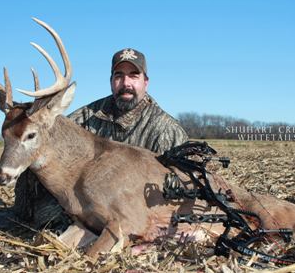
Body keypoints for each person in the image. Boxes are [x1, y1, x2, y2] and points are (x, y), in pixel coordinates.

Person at [12, 48, 188, 231]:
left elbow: (187, 184)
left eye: (134, 76)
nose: (126, 83)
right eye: (118, 76)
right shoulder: (86, 117)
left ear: (146, 82)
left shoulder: (167, 130)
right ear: (111, 81)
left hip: (136, 214)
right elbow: (43, 136)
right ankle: (32, 219)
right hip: (84, 205)